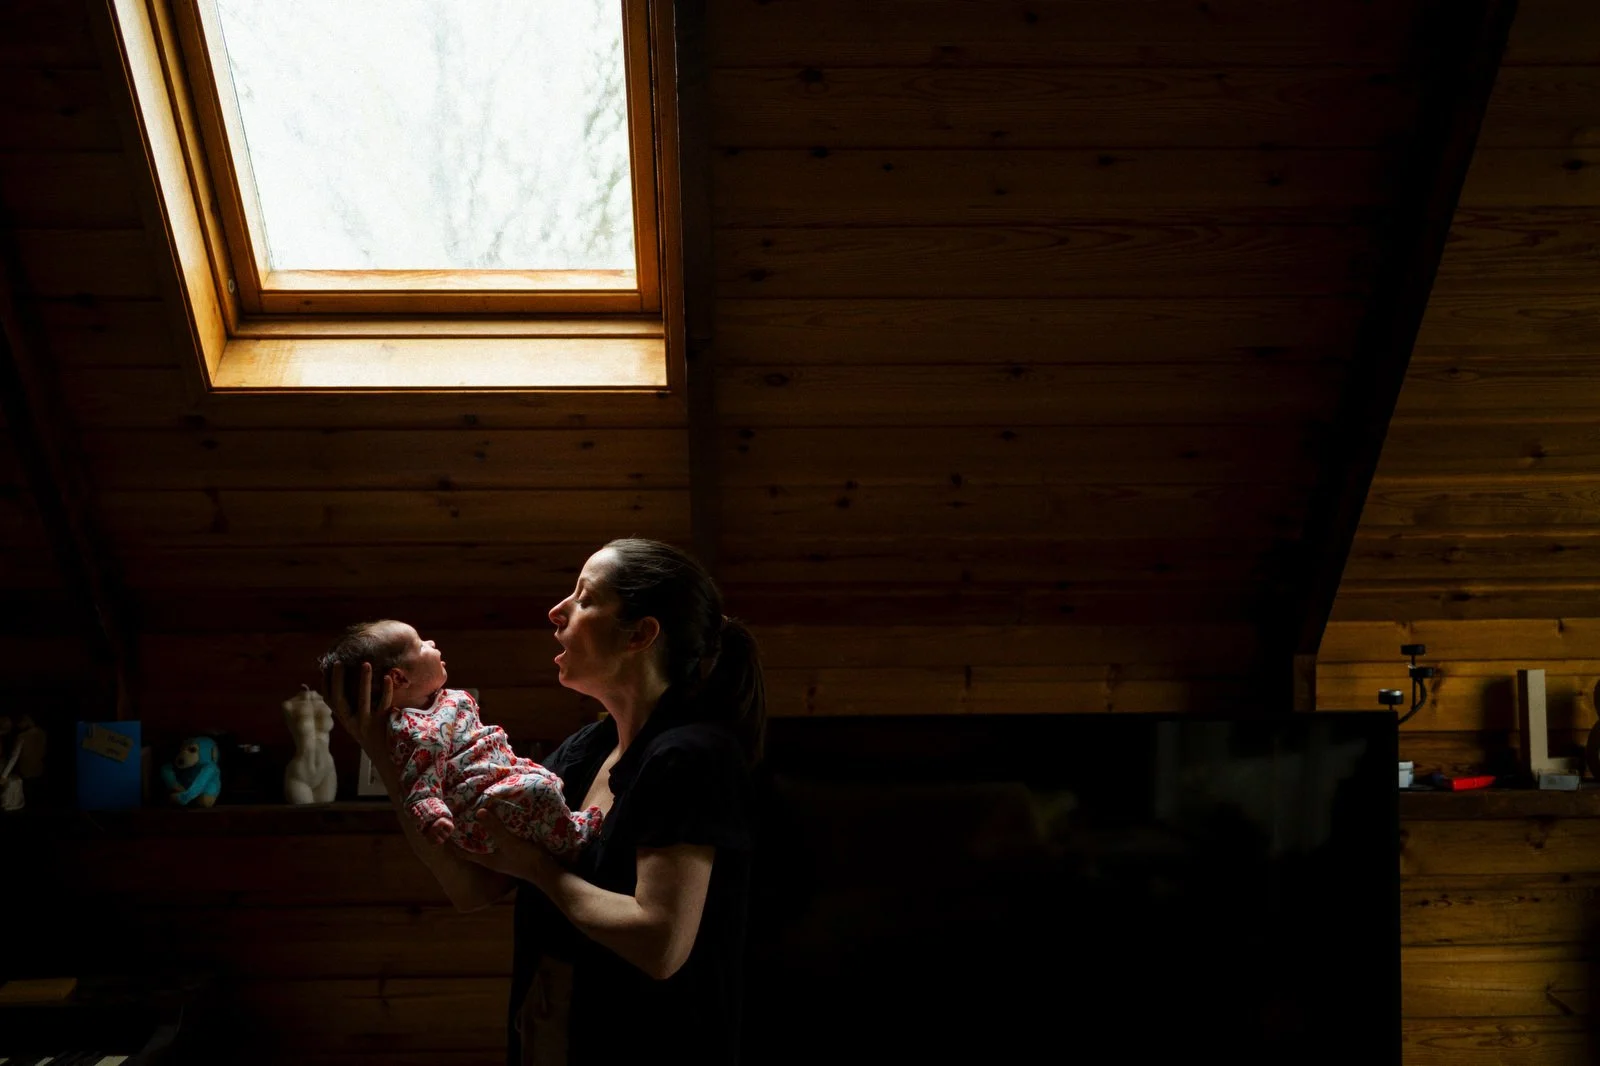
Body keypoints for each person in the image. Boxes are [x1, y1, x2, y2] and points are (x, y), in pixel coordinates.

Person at [328, 538, 765, 1065]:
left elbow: (659, 944)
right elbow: (473, 885)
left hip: (651, 1045)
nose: (556, 611)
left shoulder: (691, 758)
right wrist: (386, 752)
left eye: (583, 598)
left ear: (640, 634)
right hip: (556, 1029)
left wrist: (536, 867)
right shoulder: (585, 752)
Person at [318, 620, 603, 856]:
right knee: (539, 789)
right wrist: (432, 816)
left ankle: (559, 828)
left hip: (497, 781)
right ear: (400, 678)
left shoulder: (442, 702)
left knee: (543, 783)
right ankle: (572, 841)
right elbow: (420, 781)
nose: (430, 644)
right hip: (478, 811)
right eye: (420, 645)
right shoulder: (415, 730)